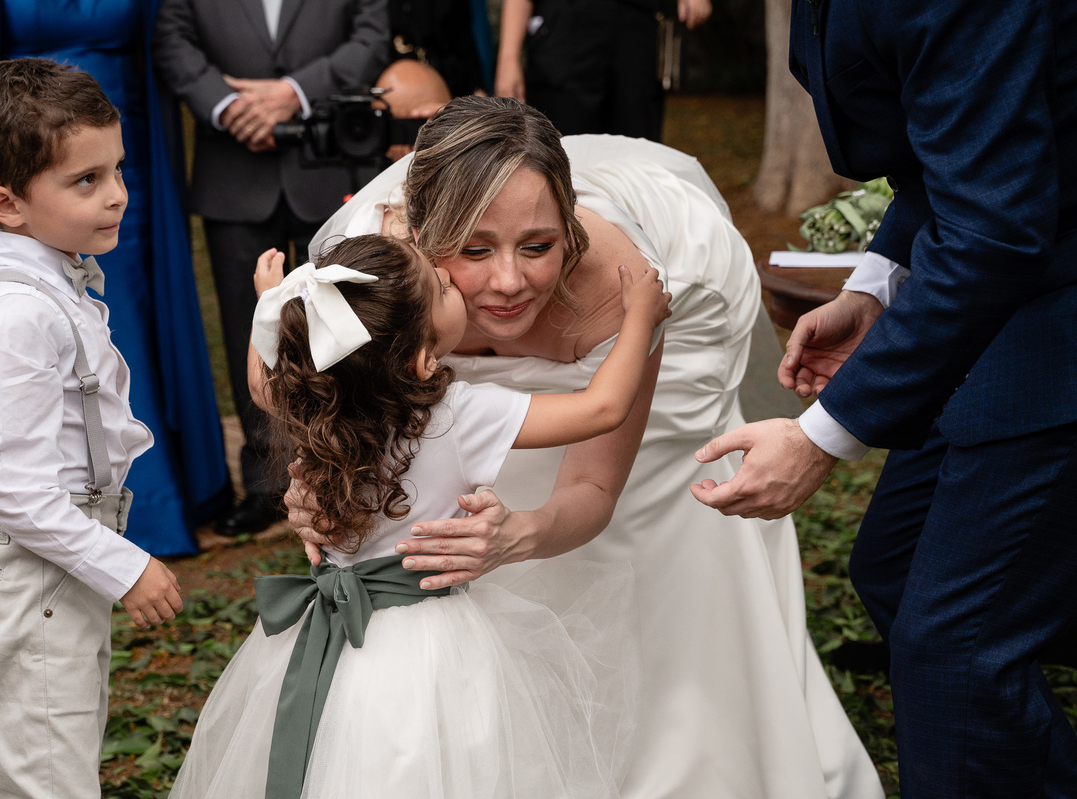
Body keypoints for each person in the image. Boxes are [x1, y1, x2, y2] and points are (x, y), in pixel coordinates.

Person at [292, 96, 881, 798]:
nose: (509, 282)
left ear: (568, 227)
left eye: (538, 246)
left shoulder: (629, 287)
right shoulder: (371, 288)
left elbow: (596, 488)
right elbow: (326, 412)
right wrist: (314, 490)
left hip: (660, 341)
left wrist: (521, 532)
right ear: (419, 235)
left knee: (656, 523)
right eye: (474, 250)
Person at [691, 1, 1077, 796]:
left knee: (954, 646)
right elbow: (956, 147)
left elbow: (994, 228)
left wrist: (821, 434)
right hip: (1006, 276)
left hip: (1052, 304)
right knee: (894, 566)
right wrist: (877, 282)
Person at [171, 232, 668, 798]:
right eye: (440, 286)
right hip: (432, 645)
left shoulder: (311, 401)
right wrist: (640, 320)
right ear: (424, 359)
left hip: (324, 633)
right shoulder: (457, 416)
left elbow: (263, 386)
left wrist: (274, 305)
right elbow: (602, 408)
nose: (450, 276)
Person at [0, 0, 232, 580]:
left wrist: (110, 170)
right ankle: (80, 521)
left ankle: (142, 498)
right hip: (27, 152)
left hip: (111, 129)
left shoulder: (114, 182)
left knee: (115, 318)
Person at [0, 58, 184, 798]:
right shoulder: (17, 315)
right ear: (6, 204)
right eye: (87, 181)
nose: (118, 195)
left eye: (117, 170)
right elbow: (15, 489)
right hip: (32, 563)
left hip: (54, 555)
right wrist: (124, 565)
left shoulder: (56, 281)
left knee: (60, 744)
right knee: (45, 774)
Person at [153, 0, 389, 535]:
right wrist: (226, 105)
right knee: (249, 325)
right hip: (233, 170)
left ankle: (356, 469)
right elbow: (171, 38)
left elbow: (372, 35)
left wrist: (295, 95)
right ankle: (266, 483)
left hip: (330, 163)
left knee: (347, 320)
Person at [494, 0, 711, 142]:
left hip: (637, 29)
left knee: (637, 156)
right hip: (563, 33)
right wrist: (508, 57)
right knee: (562, 154)